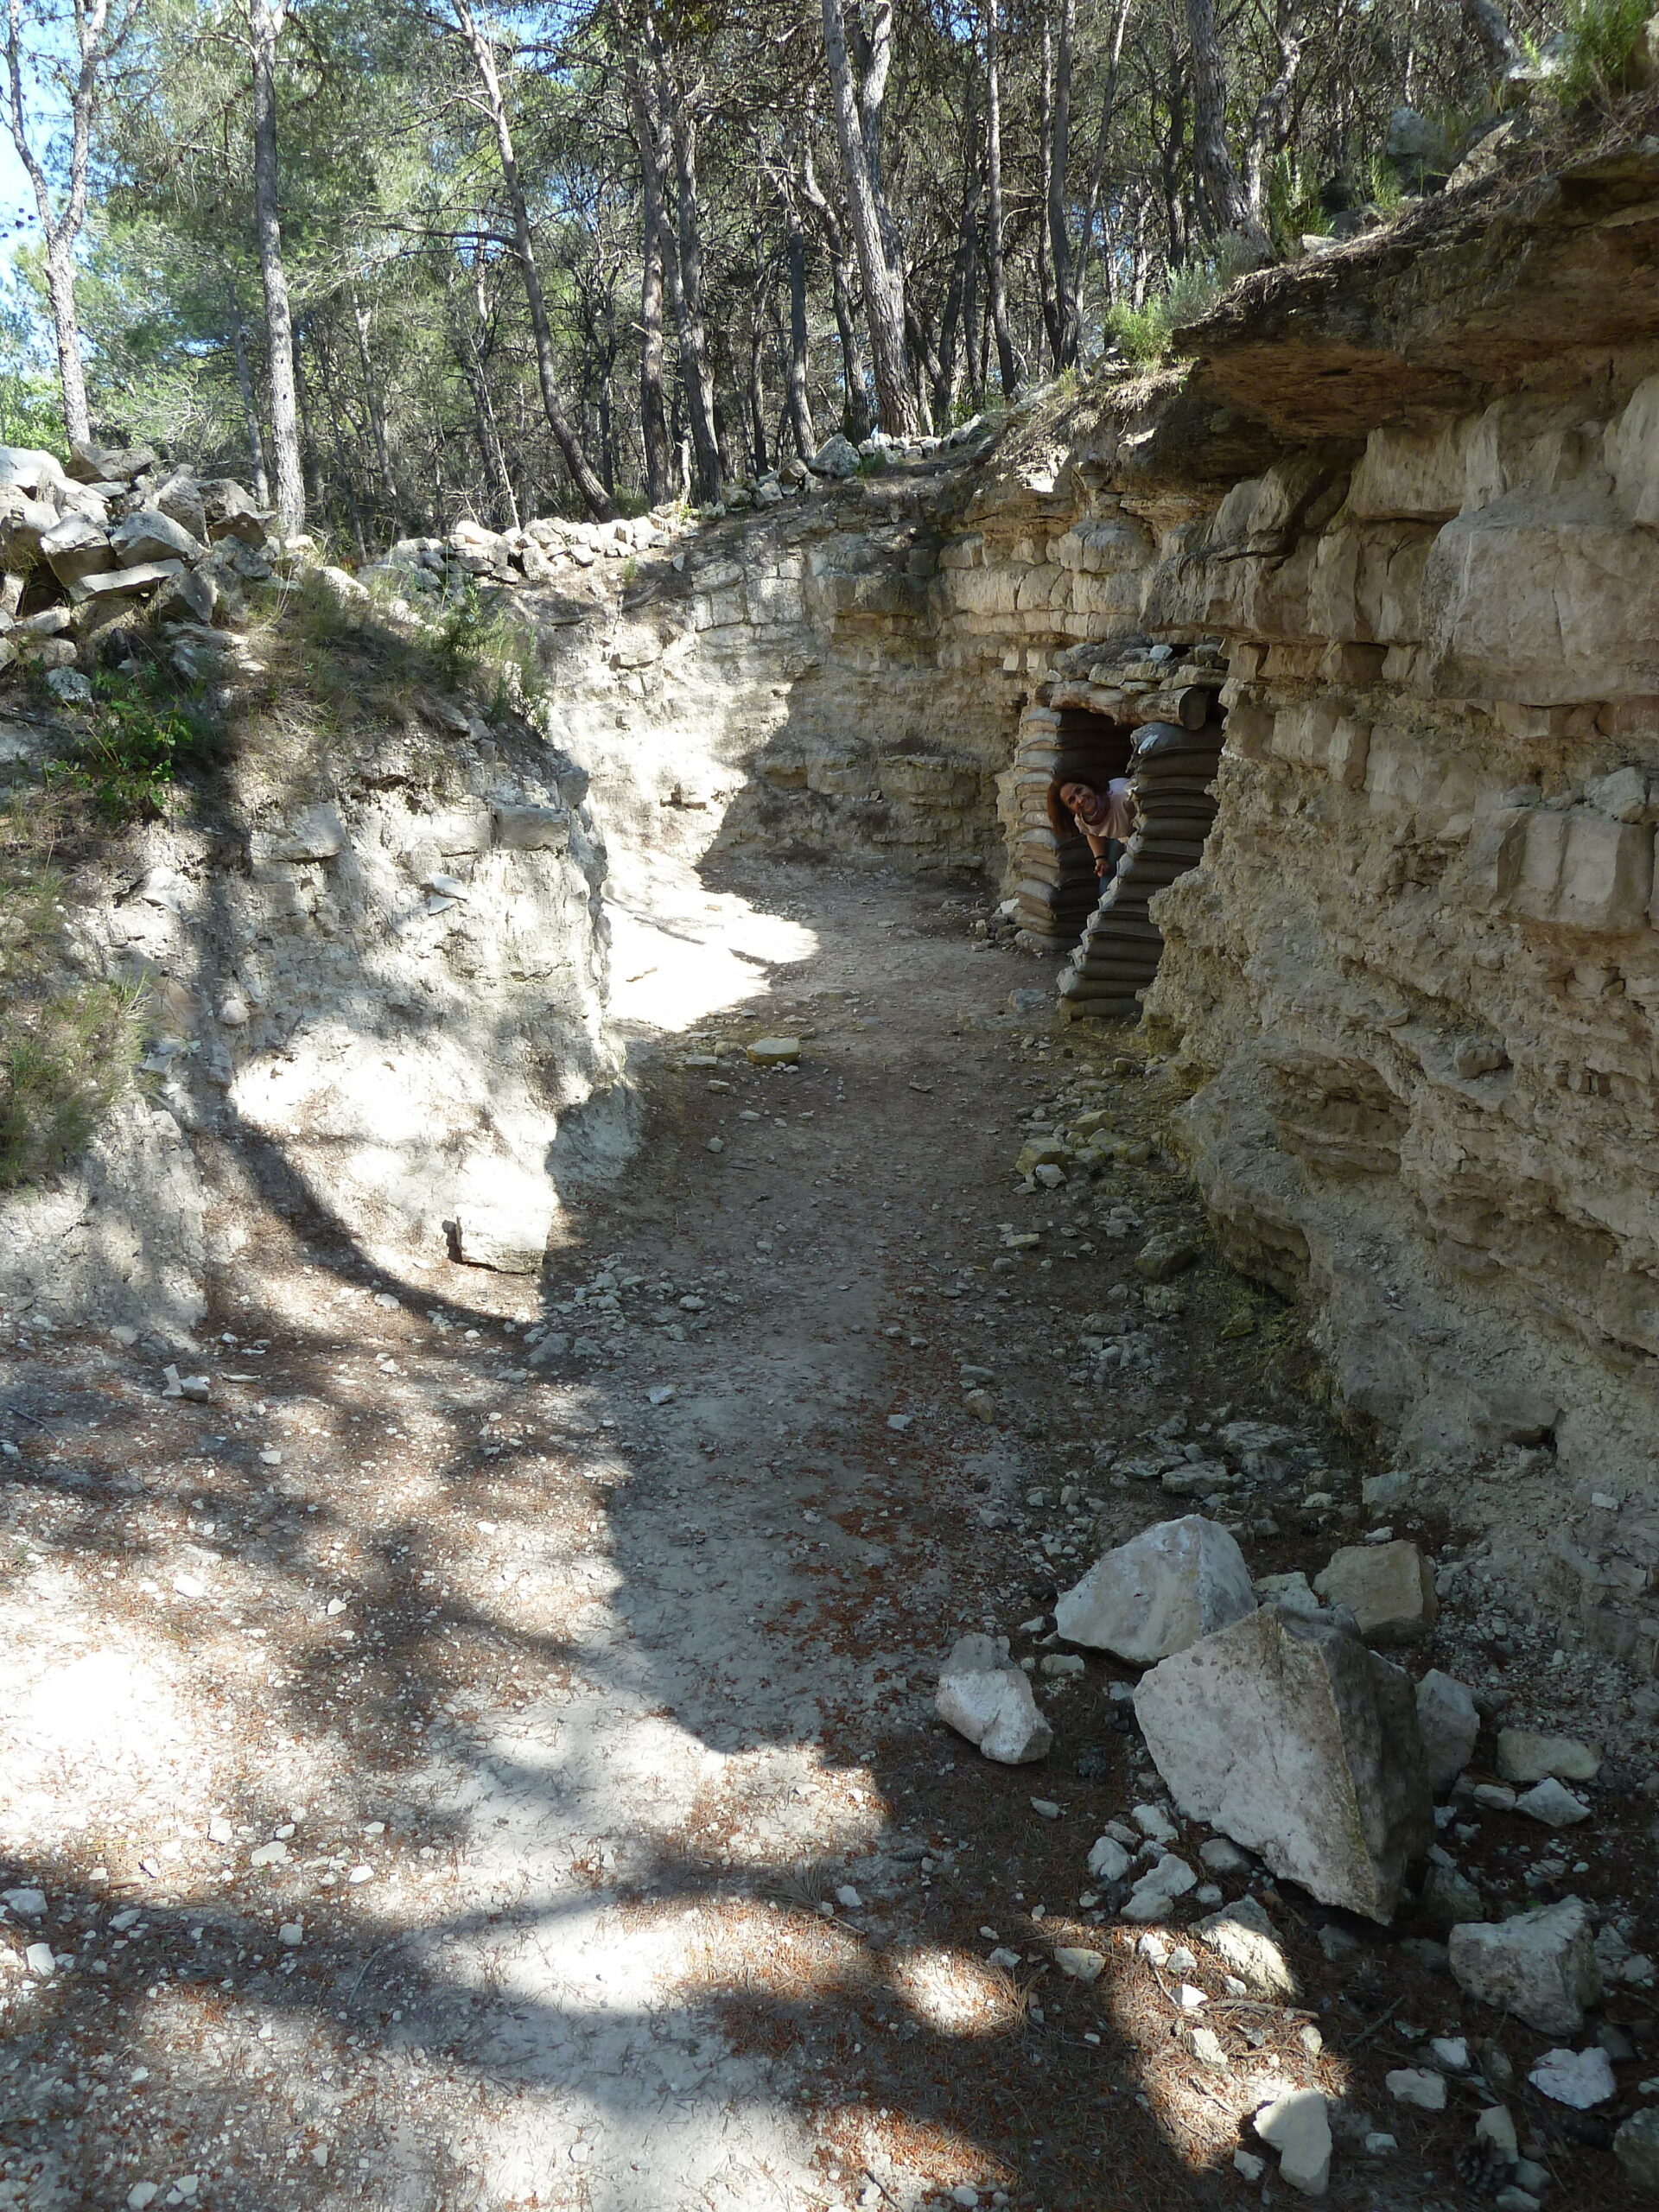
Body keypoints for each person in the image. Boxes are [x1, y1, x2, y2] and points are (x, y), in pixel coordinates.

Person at [1052, 775, 1135, 878]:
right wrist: (1100, 859)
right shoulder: (1082, 820)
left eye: (1079, 790)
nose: (1080, 799)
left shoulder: (1121, 793)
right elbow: (1092, 832)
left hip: (1140, 835)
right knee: (1106, 885)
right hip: (1124, 839)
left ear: (1087, 785)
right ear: (1070, 810)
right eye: (1072, 800)